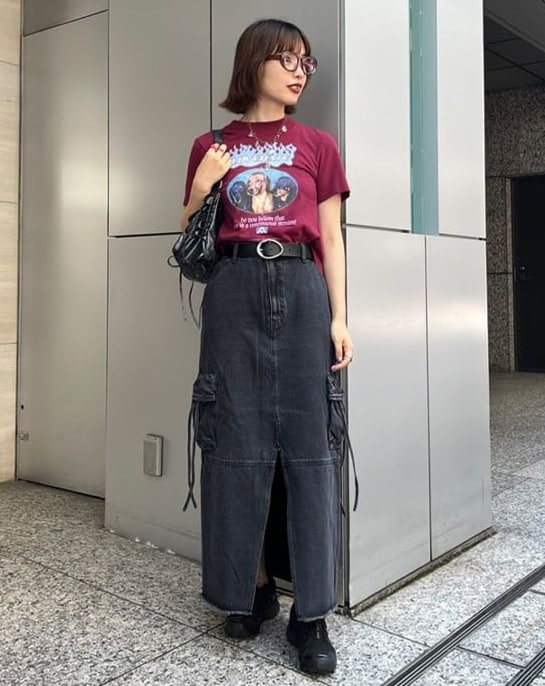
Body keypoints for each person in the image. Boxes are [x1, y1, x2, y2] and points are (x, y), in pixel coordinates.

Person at [180, 18, 354, 676]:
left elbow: (331, 237)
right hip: (233, 291)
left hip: (303, 289)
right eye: (287, 59)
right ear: (253, 62)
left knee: (310, 449)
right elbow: (188, 235)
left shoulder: (317, 145)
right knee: (234, 442)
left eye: (306, 62)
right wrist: (203, 185)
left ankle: (311, 612)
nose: (299, 71)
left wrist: (341, 317)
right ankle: (249, 590)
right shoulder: (211, 144)